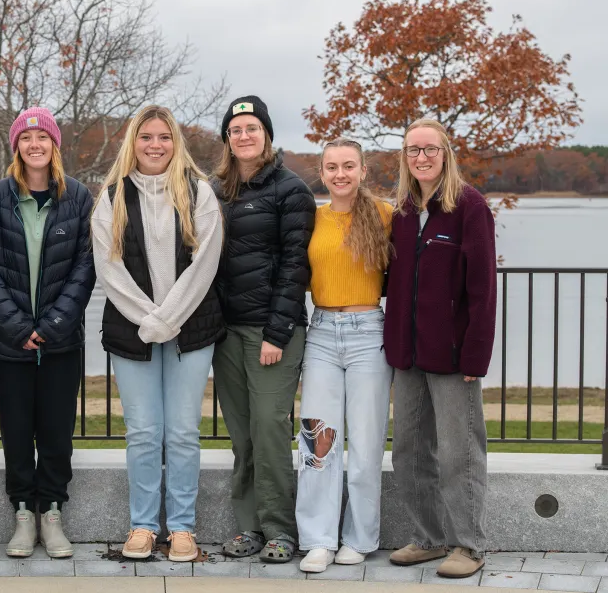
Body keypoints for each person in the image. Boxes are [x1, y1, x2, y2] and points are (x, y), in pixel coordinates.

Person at [92, 105, 224, 563]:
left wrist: (169, 318)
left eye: (164, 137)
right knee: (144, 432)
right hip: (134, 332)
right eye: (146, 136)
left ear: (175, 142)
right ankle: (144, 526)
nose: (155, 145)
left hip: (191, 331)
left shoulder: (198, 192)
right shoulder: (111, 196)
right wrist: (149, 320)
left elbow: (206, 263)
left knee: (184, 432)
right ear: (134, 141)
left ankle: (183, 528)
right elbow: (108, 270)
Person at [0, 107, 96, 558]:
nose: (35, 145)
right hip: (10, 344)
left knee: (57, 432)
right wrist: (17, 326)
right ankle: (24, 512)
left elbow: (86, 268)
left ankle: (53, 514)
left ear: (54, 145)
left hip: (61, 343)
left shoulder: (79, 198)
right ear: (16, 147)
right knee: (16, 430)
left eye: (42, 138)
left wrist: (51, 326)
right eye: (26, 139)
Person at [384, 118, 496, 579]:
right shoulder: (404, 211)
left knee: (459, 454)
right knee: (408, 452)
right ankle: (430, 539)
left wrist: (475, 356)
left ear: (445, 153)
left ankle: (468, 546)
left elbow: (483, 290)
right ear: (405, 158)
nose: (421, 158)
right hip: (407, 355)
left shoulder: (469, 206)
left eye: (430, 149)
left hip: (452, 358)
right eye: (413, 150)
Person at [212, 95, 316, 563]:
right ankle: (249, 526)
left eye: (252, 127)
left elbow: (297, 266)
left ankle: (281, 529)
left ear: (267, 134)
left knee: (271, 430)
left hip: (273, 333)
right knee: (242, 434)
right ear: (228, 140)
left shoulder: (290, 189)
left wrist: (277, 333)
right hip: (226, 334)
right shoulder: (216, 190)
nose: (244, 136)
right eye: (235, 130)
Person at [294, 138, 394, 573]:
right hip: (321, 333)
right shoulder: (311, 220)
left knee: (367, 440)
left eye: (348, 166)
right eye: (332, 166)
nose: (340, 174)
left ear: (363, 170)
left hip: (369, 333)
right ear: (322, 171)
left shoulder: (385, 216)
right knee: (319, 439)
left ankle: (359, 536)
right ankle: (318, 538)